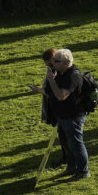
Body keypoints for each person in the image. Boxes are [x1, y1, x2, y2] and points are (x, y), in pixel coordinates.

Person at [33, 49, 94, 182]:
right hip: (63, 116)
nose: (52, 64)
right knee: (68, 144)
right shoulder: (61, 72)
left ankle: (83, 171)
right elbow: (52, 94)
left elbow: (61, 96)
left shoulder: (73, 76)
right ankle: (72, 167)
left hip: (73, 116)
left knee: (76, 144)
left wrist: (51, 80)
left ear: (66, 63)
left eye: (56, 61)